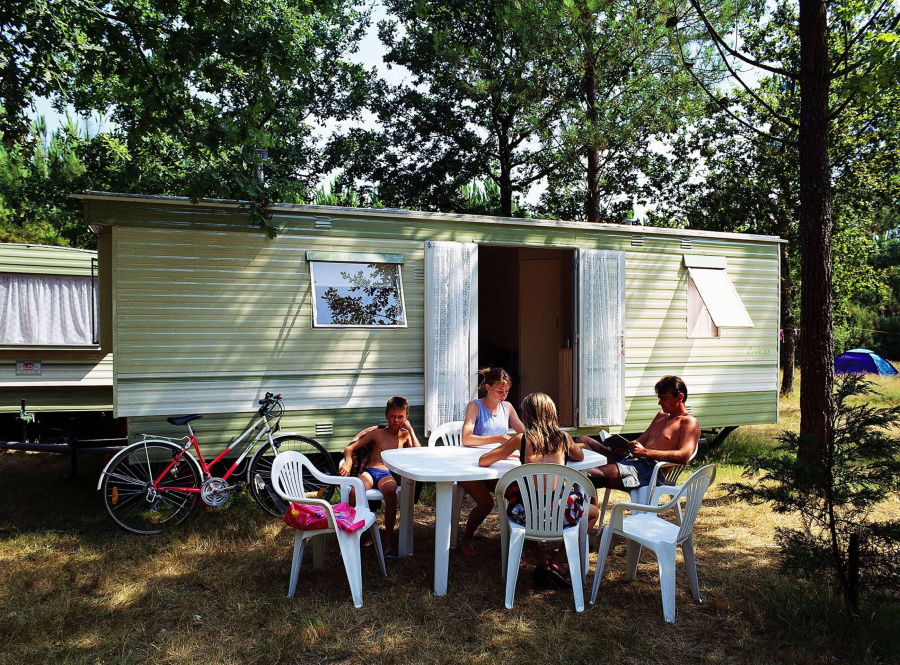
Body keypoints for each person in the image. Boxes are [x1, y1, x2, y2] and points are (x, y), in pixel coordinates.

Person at [479, 392, 599, 587]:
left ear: (526, 416)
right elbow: (580, 457)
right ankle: (558, 561)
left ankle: (541, 560)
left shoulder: (521, 439)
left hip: (527, 515)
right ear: (552, 413)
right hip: (561, 514)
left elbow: (484, 460)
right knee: (592, 513)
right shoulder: (564, 438)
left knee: (517, 503)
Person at [577, 376, 700, 491]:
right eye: (659, 399)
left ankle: (588, 506)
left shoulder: (689, 422)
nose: (660, 403)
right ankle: (585, 485)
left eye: (664, 399)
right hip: (632, 458)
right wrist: (621, 447)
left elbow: (684, 456)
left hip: (650, 469)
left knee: (593, 474)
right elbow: (640, 441)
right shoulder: (661, 416)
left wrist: (646, 452)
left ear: (680, 397)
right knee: (582, 440)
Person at [339, 396, 421, 557]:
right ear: (386, 415)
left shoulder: (404, 435)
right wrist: (348, 461)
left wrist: (410, 430)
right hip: (371, 471)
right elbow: (350, 448)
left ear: (406, 418)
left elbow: (418, 453)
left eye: (400, 417)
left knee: (390, 490)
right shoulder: (377, 433)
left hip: (387, 474)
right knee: (354, 491)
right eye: (392, 416)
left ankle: (387, 542)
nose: (396, 420)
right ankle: (354, 533)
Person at [458, 367, 526, 557]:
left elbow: (523, 433)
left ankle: (520, 538)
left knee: (520, 491)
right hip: (470, 467)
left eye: (507, 391)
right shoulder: (475, 406)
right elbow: (466, 438)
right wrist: (497, 439)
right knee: (486, 503)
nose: (503, 395)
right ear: (487, 387)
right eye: (499, 391)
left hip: (496, 467)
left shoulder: (508, 407)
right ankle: (467, 538)